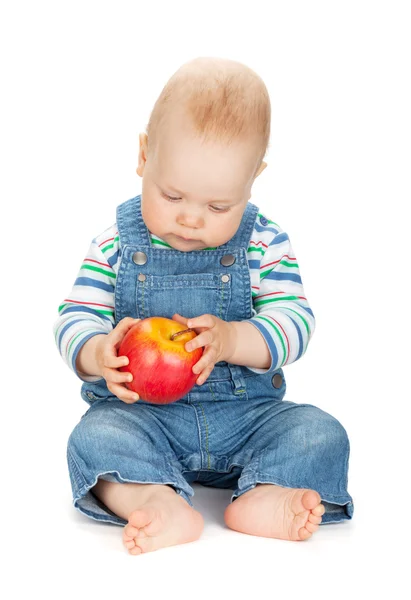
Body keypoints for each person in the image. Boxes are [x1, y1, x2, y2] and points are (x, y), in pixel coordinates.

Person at [54, 57, 353, 555]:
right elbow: (74, 316)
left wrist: (236, 339)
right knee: (94, 438)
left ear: (252, 180)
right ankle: (154, 496)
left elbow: (295, 321)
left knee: (320, 432)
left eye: (219, 207)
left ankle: (266, 492)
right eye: (172, 196)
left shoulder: (263, 243)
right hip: (145, 420)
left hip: (249, 419)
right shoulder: (115, 246)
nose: (191, 218)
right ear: (144, 156)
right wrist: (95, 352)